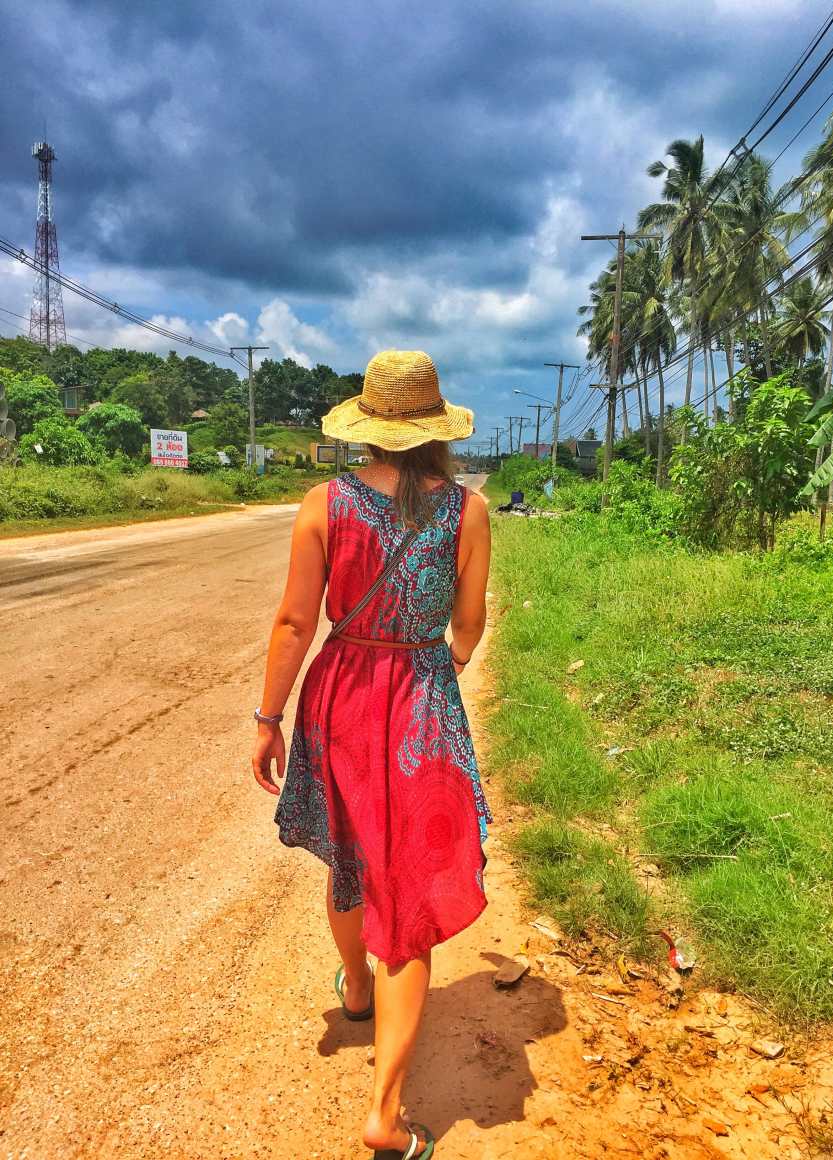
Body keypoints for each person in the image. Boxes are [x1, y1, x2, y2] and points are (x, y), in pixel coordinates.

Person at [252, 349, 493, 1159]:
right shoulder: (468, 510)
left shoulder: (325, 502)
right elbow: (468, 625)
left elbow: (293, 624)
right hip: (419, 700)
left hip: (341, 695)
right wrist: (438, 665)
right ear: (435, 430)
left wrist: (267, 717)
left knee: (350, 862)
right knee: (412, 894)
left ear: (368, 428)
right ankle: (385, 1115)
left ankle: (357, 988)